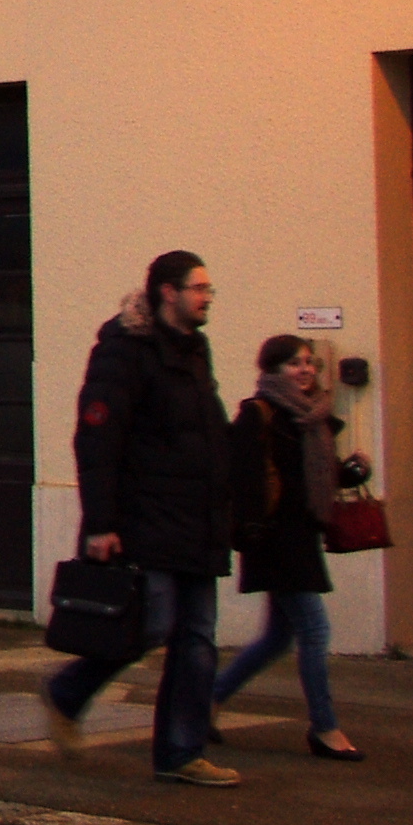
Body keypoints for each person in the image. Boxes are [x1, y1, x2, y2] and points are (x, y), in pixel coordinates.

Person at [46, 248, 239, 786]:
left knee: (198, 639)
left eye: (209, 289)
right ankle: (66, 692)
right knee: (146, 627)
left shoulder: (194, 350)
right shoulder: (124, 351)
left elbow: (205, 435)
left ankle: (181, 753)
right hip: (145, 520)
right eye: (199, 288)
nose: (207, 298)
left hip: (196, 521)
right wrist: (101, 523)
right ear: (168, 293)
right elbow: (97, 438)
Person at [218, 334, 371, 761]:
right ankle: (324, 728)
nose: (305, 371)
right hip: (275, 539)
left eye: (309, 363)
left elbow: (316, 474)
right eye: (294, 364)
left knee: (277, 638)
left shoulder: (313, 415)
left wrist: (350, 473)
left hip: (303, 535)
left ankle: (206, 701)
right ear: (272, 370)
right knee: (314, 632)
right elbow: (244, 480)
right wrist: (253, 533)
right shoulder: (258, 414)